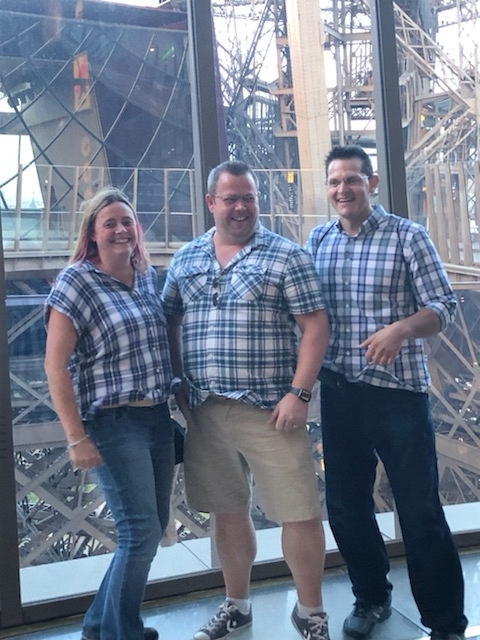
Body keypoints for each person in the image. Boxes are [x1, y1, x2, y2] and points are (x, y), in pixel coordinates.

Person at [161, 160, 331, 640]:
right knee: (227, 511)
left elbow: (315, 326)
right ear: (211, 202)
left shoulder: (286, 256)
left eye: (248, 198)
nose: (240, 207)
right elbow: (169, 318)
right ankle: (237, 605)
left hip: (272, 410)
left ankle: (311, 612)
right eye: (230, 198)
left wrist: (299, 393)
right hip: (206, 409)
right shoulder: (187, 258)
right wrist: (178, 380)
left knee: (298, 512)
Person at [306, 145, 468, 640]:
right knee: (346, 506)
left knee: (418, 511)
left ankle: (445, 623)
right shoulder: (318, 240)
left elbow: (445, 306)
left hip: (398, 396)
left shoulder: (408, 237)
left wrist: (400, 329)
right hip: (340, 393)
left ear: (371, 183)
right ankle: (371, 598)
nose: (342, 190)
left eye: (352, 180)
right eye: (334, 182)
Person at [44, 187, 177, 640]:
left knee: (153, 528)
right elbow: (54, 365)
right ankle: (124, 633)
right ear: (92, 234)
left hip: (157, 418)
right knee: (139, 532)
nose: (121, 230)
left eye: (127, 221)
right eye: (109, 224)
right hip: (113, 424)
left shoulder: (145, 276)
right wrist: (76, 437)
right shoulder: (76, 281)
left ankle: (100, 625)